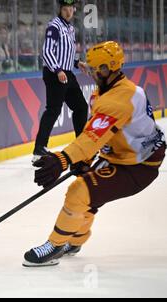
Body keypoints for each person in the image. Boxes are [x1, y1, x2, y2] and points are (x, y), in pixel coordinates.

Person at [23, 41, 166, 267]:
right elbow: (101, 133)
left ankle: (56, 245)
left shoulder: (119, 99)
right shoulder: (109, 92)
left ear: (106, 69)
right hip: (122, 156)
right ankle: (76, 239)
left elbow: (92, 138)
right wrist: (85, 160)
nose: (89, 71)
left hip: (138, 166)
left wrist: (63, 159)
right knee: (87, 191)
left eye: (94, 68)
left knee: (79, 192)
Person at [32, 0, 88, 163]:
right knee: (53, 110)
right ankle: (39, 149)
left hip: (67, 73)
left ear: (74, 9)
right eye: (65, 9)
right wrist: (58, 70)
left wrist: (78, 63)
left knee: (81, 107)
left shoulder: (70, 28)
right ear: (60, 10)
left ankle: (80, 145)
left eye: (70, 9)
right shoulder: (54, 26)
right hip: (55, 74)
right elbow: (47, 52)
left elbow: (65, 53)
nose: (68, 12)